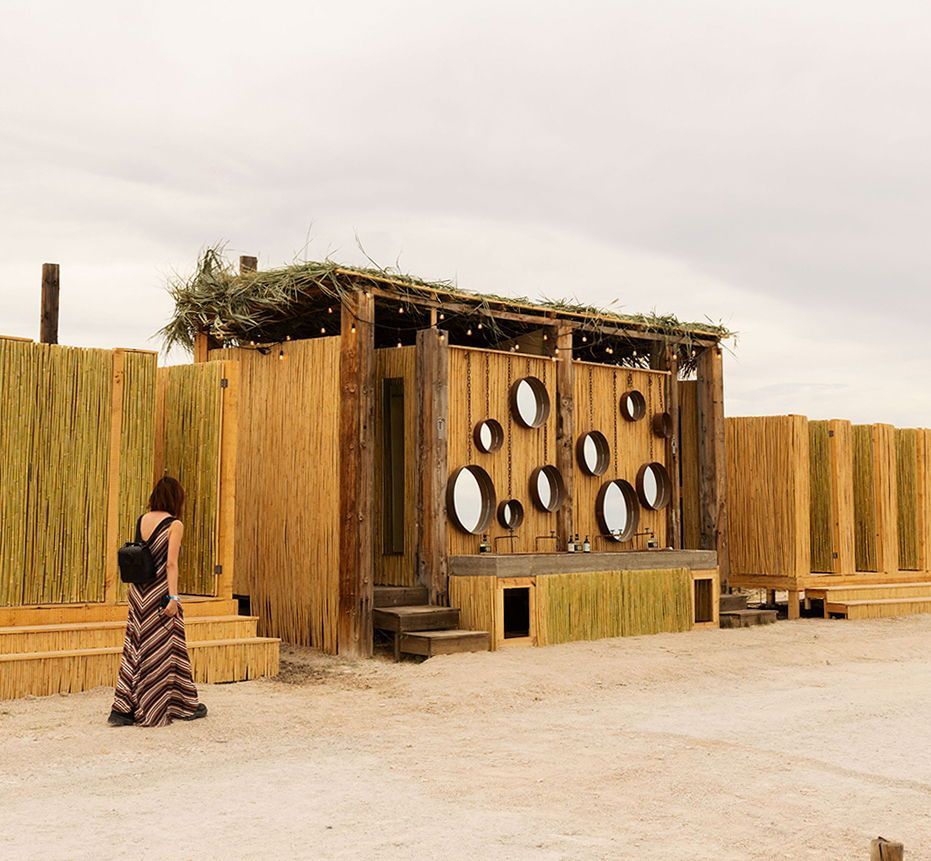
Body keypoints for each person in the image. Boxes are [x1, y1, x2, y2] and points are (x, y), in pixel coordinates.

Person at [108, 476, 207, 727]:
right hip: (160, 593)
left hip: (138, 593)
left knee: (136, 646)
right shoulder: (175, 524)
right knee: (164, 649)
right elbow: (170, 563)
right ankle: (166, 704)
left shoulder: (142, 519)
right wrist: (173, 598)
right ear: (176, 499)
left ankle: (124, 707)